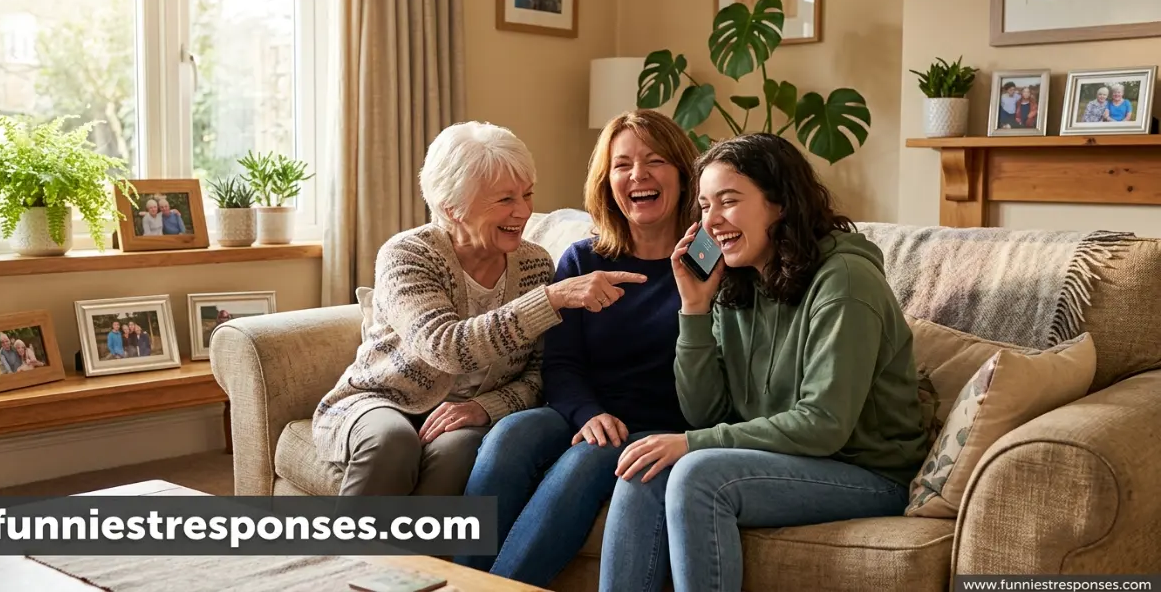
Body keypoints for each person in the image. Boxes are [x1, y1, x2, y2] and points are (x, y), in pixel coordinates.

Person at [601, 133, 929, 592]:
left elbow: (824, 424)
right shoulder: (737, 280)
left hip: (869, 472)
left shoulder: (846, 281)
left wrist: (694, 444)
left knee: (698, 474)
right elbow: (705, 414)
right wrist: (694, 309)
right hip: (774, 458)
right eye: (704, 206)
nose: (711, 222)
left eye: (728, 202)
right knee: (646, 466)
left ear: (780, 204)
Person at [311, 121, 647, 497]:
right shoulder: (408, 255)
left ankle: (421, 558)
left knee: (459, 451)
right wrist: (550, 299)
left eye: (527, 194)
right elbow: (445, 346)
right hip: (381, 400)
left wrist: (485, 406)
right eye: (505, 200)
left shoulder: (535, 265)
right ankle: (347, 556)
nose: (522, 211)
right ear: (452, 207)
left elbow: (542, 372)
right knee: (392, 444)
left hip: (465, 414)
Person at [458, 110, 699, 586]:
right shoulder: (583, 259)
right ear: (607, 181)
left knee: (585, 460)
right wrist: (587, 413)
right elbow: (562, 362)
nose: (638, 176)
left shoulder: (707, 263)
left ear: (683, 173)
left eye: (655, 162)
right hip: (587, 412)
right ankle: (460, 579)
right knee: (511, 435)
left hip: (660, 425)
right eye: (622, 164)